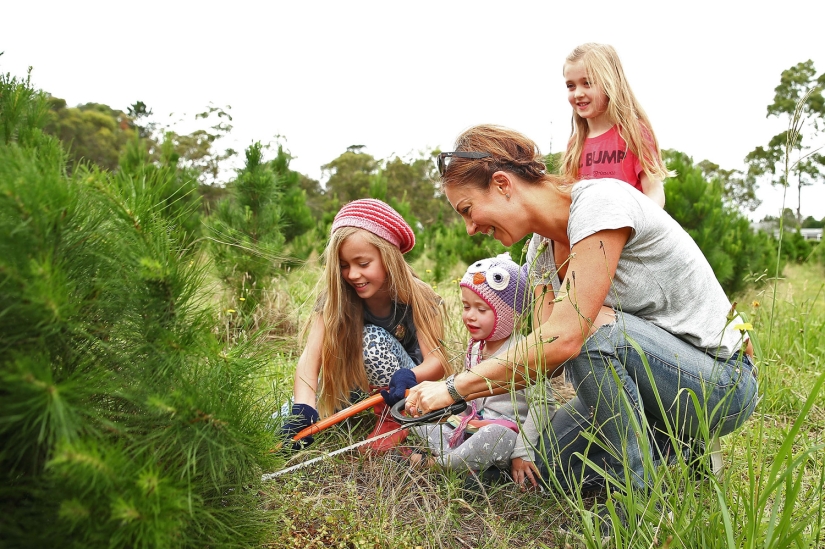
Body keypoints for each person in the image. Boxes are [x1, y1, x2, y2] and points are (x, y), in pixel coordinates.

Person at [408, 125, 758, 494]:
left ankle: (638, 500)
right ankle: (676, 446)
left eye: (467, 210)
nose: (469, 228)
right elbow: (546, 358)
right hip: (652, 386)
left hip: (718, 387)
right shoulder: (540, 251)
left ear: (502, 184)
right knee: (546, 468)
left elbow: (564, 338)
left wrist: (454, 388)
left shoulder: (599, 203)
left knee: (587, 329)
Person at [280, 199, 450, 453]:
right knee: (280, 421)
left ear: (388, 257)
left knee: (370, 340)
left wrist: (410, 376)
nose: (352, 275)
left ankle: (393, 421)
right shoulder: (336, 297)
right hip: (354, 385)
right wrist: (303, 408)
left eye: (363, 264)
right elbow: (310, 358)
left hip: (402, 389)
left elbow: (438, 362)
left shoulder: (418, 296)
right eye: (344, 266)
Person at [409, 253, 556, 488]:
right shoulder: (476, 348)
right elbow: (469, 396)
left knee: (494, 436)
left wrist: (524, 449)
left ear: (510, 314)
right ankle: (467, 464)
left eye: (481, 309)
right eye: (466, 306)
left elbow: (544, 404)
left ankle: (439, 464)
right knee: (422, 427)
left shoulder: (525, 352)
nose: (469, 316)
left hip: (506, 431)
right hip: (472, 426)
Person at [561, 43, 671, 208]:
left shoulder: (635, 133)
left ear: (610, 83)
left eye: (587, 83)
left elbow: (654, 190)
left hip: (631, 223)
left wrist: (644, 222)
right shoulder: (574, 145)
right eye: (571, 86)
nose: (578, 93)